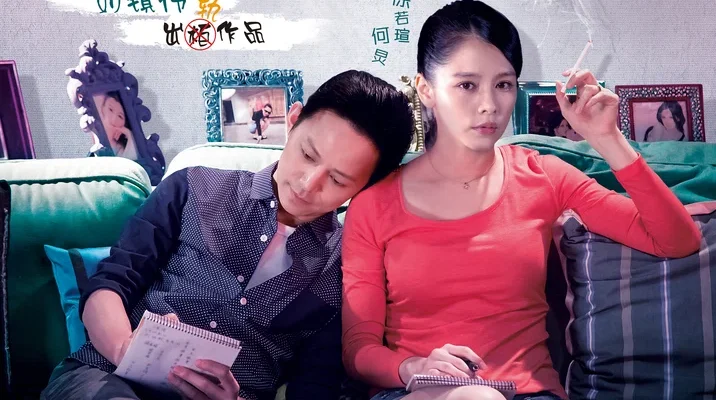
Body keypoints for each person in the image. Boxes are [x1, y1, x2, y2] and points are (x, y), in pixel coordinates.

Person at [340, 2, 702, 400]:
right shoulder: (373, 205)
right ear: (426, 89)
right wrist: (413, 367)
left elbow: (677, 240)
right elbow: (359, 350)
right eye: (467, 85)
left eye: (503, 84)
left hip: (529, 392)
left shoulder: (543, 175)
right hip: (416, 390)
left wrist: (608, 139)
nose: (489, 105)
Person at [41, 70, 414, 400]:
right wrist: (125, 350)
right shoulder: (193, 188)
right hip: (106, 376)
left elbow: (315, 386)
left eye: (337, 180)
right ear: (294, 120)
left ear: (365, 188)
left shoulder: (345, 270)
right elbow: (111, 282)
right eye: (307, 154)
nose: (307, 183)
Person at [95, 92, 138, 160]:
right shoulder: (96, 138)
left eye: (120, 116)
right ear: (103, 108)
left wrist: (130, 135)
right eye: (110, 109)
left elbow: (129, 162)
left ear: (125, 123)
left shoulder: (120, 148)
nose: (113, 119)